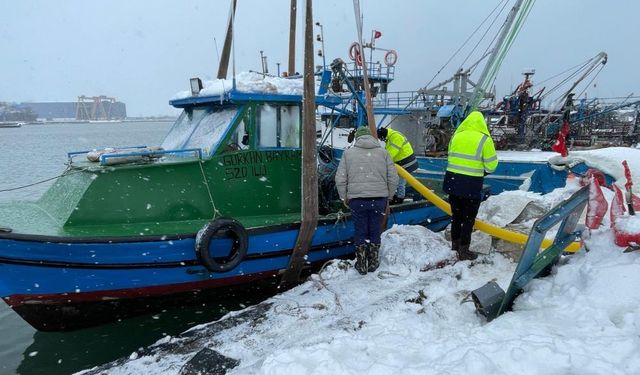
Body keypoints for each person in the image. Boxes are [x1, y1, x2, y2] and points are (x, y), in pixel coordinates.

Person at [335, 126, 398, 275]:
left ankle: (362, 263)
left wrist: (344, 196)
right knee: (375, 229)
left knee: (360, 230)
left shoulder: (348, 154)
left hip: (357, 200)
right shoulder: (384, 153)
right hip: (379, 199)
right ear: (371, 137)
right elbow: (393, 177)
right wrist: (389, 195)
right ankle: (373, 263)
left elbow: (340, 178)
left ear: (357, 138)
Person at [442, 111, 498, 261]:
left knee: (456, 216)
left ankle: (455, 245)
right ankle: (464, 250)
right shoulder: (484, 139)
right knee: (468, 218)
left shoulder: (457, 136)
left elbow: (451, 156)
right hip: (471, 184)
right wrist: (481, 171)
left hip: (453, 182)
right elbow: (492, 165)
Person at [376, 127, 417, 204]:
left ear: (383, 136)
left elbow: (391, 154)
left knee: (401, 181)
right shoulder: (391, 137)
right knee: (396, 180)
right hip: (401, 162)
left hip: (406, 162)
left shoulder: (395, 137)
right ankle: (397, 195)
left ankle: (400, 198)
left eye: (381, 139)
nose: (382, 140)